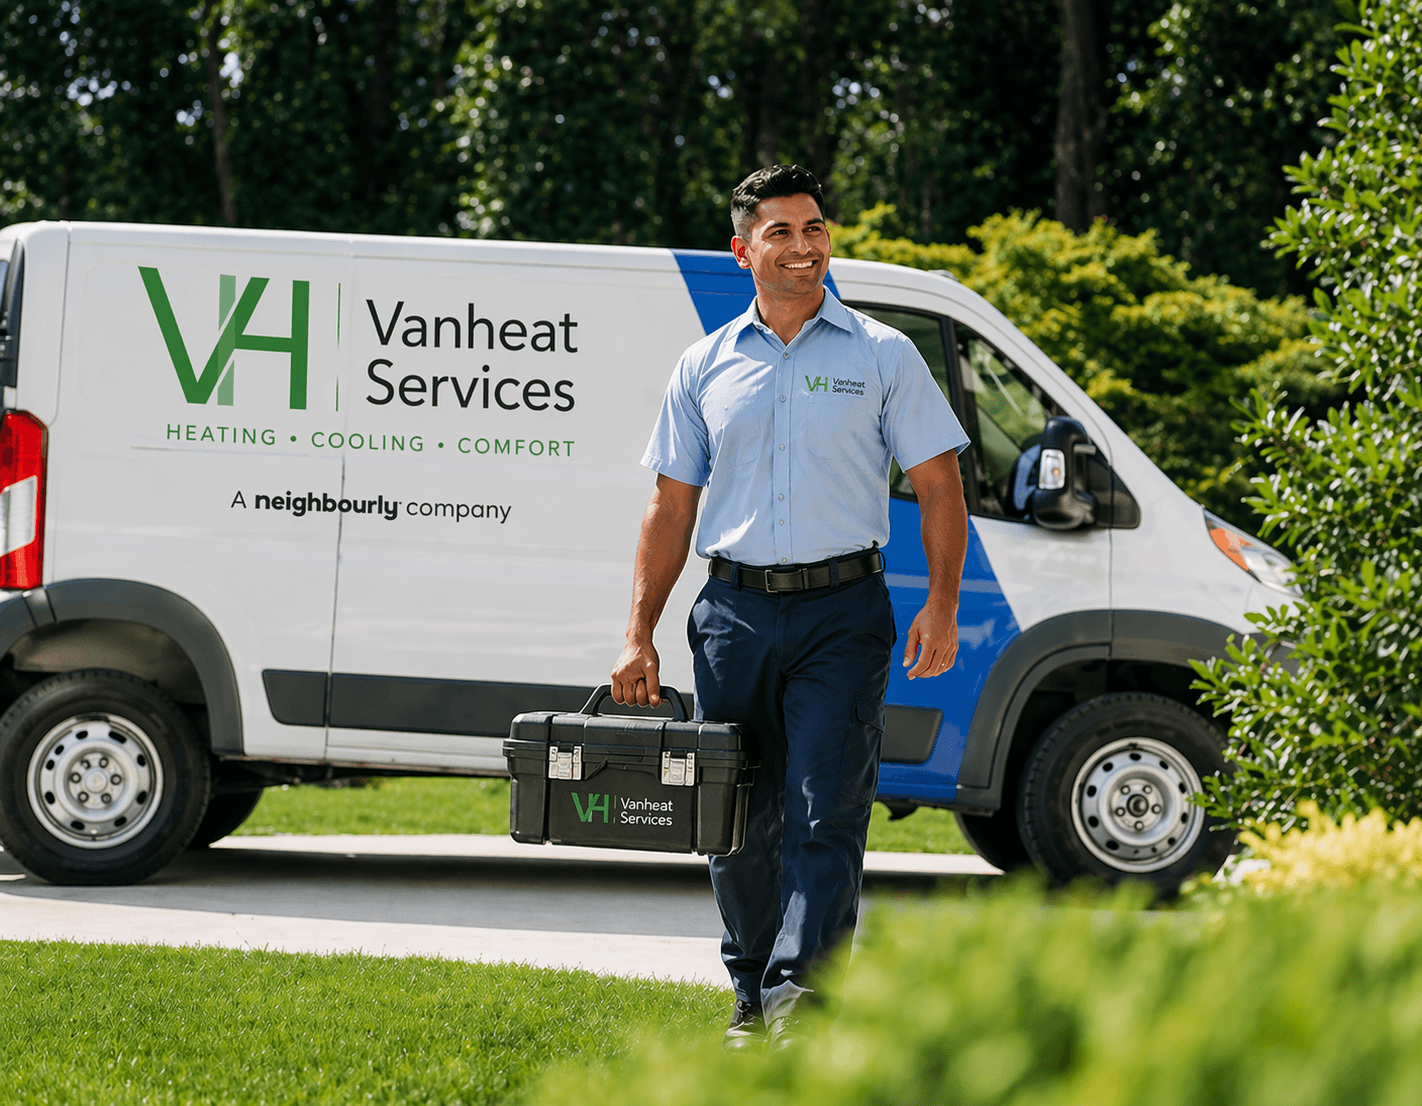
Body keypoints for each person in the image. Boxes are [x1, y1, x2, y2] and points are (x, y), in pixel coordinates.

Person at [610, 164, 970, 1050]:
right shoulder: (704, 366)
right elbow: (671, 505)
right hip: (731, 614)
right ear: (743, 251)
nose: (804, 247)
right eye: (781, 232)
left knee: (826, 811)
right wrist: (638, 634)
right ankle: (750, 988)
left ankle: (800, 1008)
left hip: (843, 613)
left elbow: (939, 486)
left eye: (814, 228)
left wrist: (944, 606)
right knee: (734, 818)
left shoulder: (883, 354)